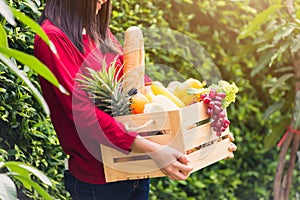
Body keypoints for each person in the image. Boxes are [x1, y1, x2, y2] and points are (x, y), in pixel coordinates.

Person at [34, 0, 237, 199]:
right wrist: (154, 150)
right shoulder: (52, 38)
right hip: (99, 181)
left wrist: (207, 138)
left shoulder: (94, 29)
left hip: (135, 169)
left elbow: (138, 85)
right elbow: (83, 114)